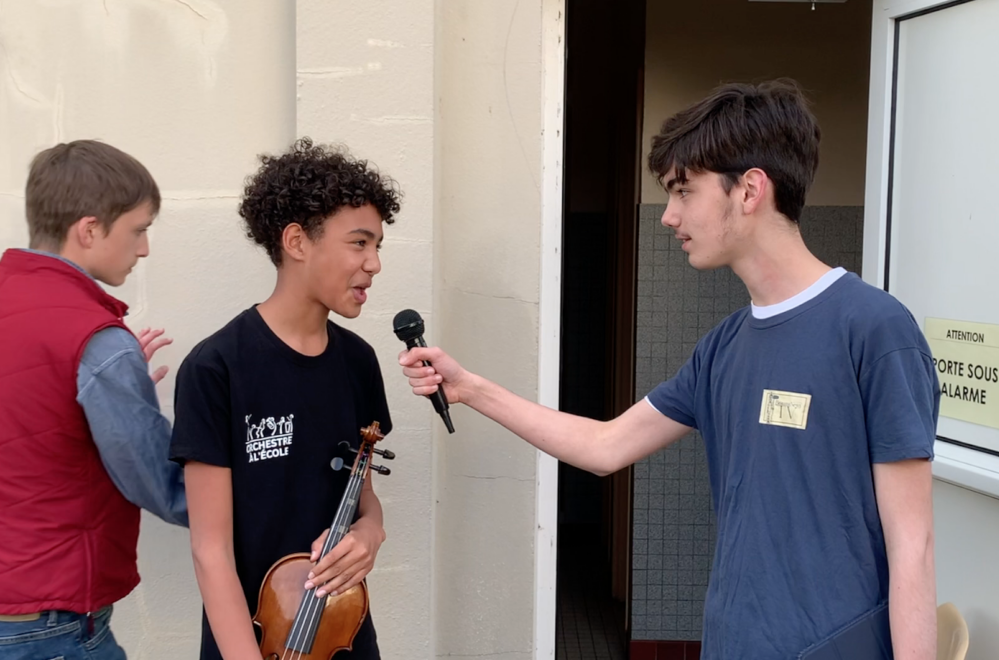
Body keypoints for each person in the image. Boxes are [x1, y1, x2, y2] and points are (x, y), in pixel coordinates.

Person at [399, 81, 939, 659]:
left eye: (684, 191)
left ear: (750, 189)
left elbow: (914, 546)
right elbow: (605, 446)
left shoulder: (874, 330)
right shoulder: (723, 347)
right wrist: (470, 388)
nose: (669, 216)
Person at [169, 138, 401, 660]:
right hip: (252, 643)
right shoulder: (216, 368)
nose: (374, 264)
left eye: (378, 246)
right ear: (297, 241)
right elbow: (210, 551)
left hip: (341, 635)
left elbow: (361, 493)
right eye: (359, 243)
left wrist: (371, 530)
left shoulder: (359, 361)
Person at [0, 140, 188, 659]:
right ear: (89, 230)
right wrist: (269, 499)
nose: (143, 249)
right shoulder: (97, 341)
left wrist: (111, 387)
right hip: (48, 629)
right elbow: (163, 485)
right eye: (138, 229)